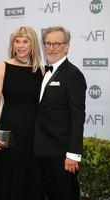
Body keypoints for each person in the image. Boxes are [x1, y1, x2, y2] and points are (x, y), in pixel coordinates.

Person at [0, 26, 44, 200]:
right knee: (6, 177)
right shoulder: (2, 67)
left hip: (33, 134)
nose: (20, 45)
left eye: (25, 41)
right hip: (8, 131)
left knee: (30, 179)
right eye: (17, 41)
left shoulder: (41, 70)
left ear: (32, 44)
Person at [33, 26, 87, 200]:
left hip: (61, 155)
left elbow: (78, 117)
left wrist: (73, 154)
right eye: (47, 43)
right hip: (40, 151)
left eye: (56, 43)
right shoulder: (42, 72)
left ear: (67, 46)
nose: (51, 48)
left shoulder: (73, 75)